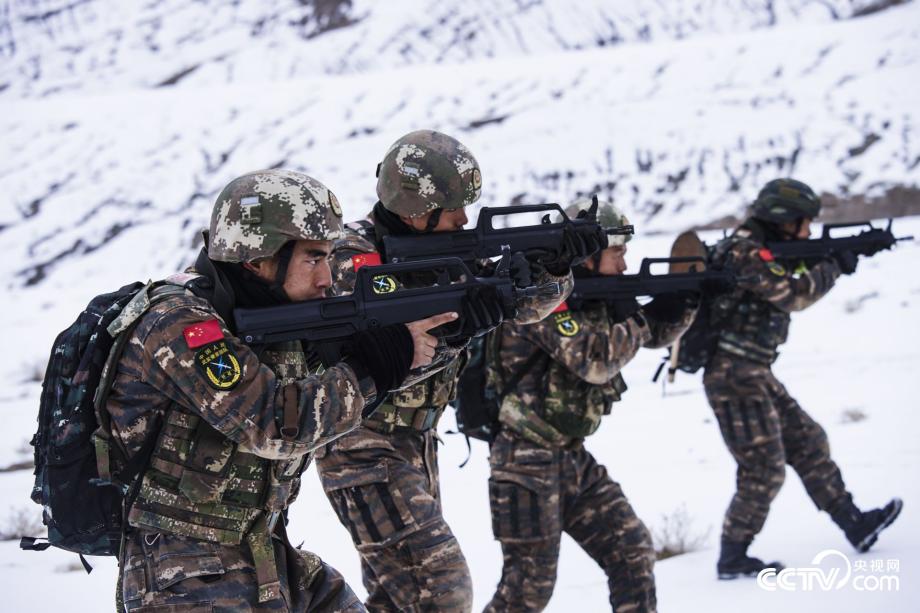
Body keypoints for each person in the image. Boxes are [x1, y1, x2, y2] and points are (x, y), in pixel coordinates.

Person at [104, 169, 454, 611]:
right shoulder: (180, 324)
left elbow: (350, 387)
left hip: (263, 549)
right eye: (313, 259)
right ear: (257, 258)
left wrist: (447, 336)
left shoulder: (276, 320)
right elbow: (274, 424)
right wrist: (377, 364)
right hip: (186, 574)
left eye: (329, 257)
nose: (327, 277)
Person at [315, 130, 589, 612]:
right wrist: (457, 333)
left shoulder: (450, 251)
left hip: (417, 444)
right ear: (418, 210)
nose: (465, 219)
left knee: (397, 600)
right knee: (441, 590)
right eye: (455, 208)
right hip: (361, 447)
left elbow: (526, 308)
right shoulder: (350, 261)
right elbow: (377, 363)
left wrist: (554, 265)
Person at [483, 200, 696, 612]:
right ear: (590, 254)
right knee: (527, 590)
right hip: (524, 461)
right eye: (617, 252)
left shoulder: (598, 297)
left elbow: (651, 336)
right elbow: (594, 360)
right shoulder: (542, 298)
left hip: (572, 457)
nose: (624, 262)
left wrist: (685, 301)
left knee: (632, 550)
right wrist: (645, 321)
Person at [704, 178, 902, 579]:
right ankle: (733, 556)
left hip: (754, 370)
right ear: (783, 219)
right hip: (734, 375)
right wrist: (835, 265)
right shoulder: (743, 251)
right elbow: (792, 294)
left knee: (808, 441)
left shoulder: (764, 248)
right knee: (763, 468)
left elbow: (791, 268)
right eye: (804, 223)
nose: (809, 231)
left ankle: (854, 524)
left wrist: (848, 250)